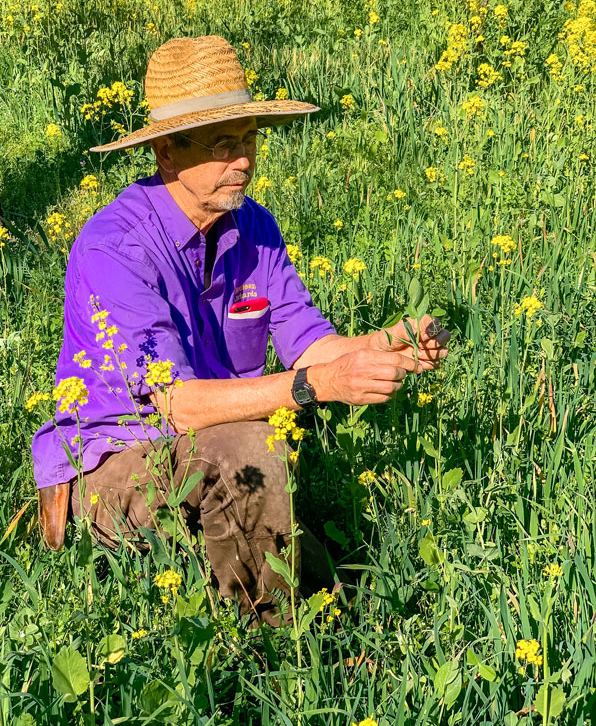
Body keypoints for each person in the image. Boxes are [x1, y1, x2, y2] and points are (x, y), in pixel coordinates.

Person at [32, 35, 449, 624]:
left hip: (211, 448)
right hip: (119, 465)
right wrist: (315, 386)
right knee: (251, 448)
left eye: (250, 138)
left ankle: (314, 620)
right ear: (167, 153)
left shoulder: (252, 224)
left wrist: (385, 345)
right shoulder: (113, 248)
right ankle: (274, 651)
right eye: (224, 143)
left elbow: (308, 341)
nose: (246, 159)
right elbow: (174, 406)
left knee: (251, 457)